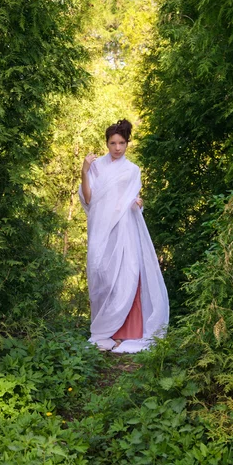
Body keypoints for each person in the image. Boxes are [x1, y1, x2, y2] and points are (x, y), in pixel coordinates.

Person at [79, 119, 169, 353]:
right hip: (103, 230)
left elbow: (131, 198)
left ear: (127, 143)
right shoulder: (97, 166)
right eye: (112, 143)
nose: (117, 147)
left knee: (128, 275)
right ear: (107, 144)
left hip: (125, 229)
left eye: (121, 143)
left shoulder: (132, 170)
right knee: (104, 275)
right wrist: (84, 172)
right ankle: (107, 330)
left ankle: (128, 333)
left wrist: (137, 203)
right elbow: (89, 200)